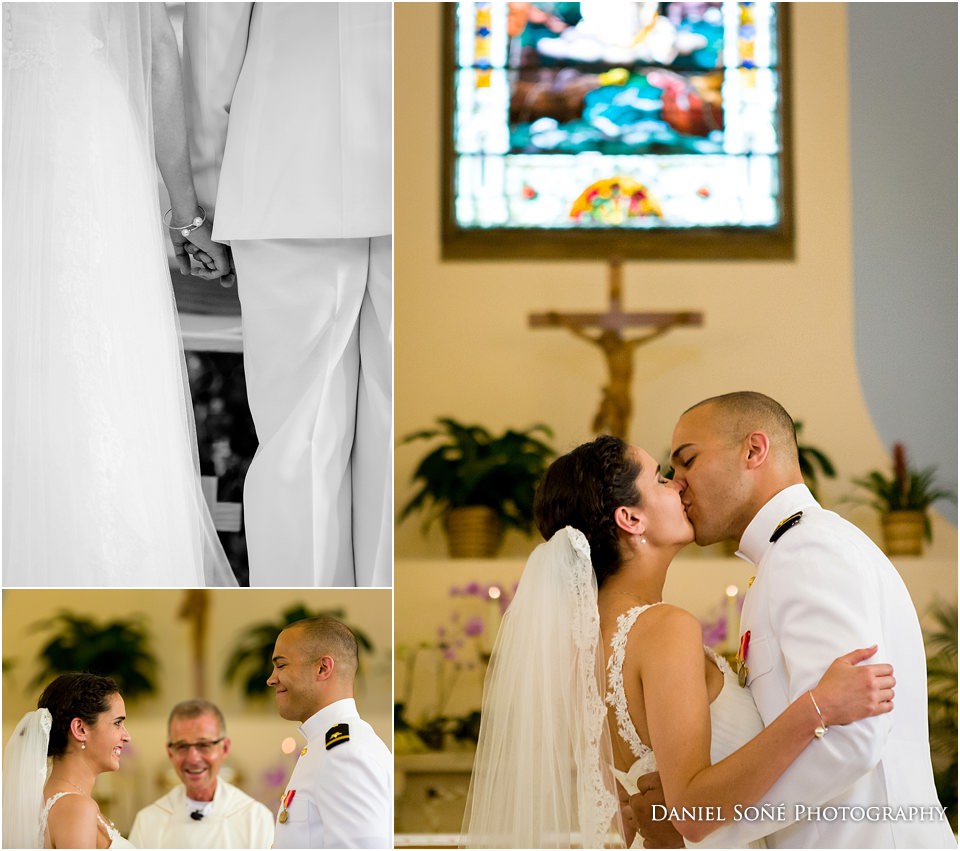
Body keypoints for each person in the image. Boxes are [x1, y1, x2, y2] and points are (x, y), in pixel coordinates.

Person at [461, 435, 896, 849]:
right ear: (630, 519)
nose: (679, 484)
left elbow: (626, 810)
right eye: (660, 478)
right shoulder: (665, 628)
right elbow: (692, 811)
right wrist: (819, 705)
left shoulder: (583, 644)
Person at [644, 390, 953, 848]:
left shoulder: (809, 550)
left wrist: (712, 824)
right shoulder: (783, 555)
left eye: (687, 461)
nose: (679, 482)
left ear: (754, 450)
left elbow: (852, 738)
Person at [2, 3, 236, 587]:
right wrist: (186, 219)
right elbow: (159, 53)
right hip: (74, 122)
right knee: (86, 349)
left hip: (54, 123)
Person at [181, 3, 393, 587]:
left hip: (284, 160)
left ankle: (304, 619)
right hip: (421, 157)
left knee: (298, 435)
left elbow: (213, 36)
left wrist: (205, 192)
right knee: (399, 419)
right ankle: (375, 642)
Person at [267, 617, 392, 849]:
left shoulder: (346, 754)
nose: (271, 679)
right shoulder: (324, 746)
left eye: (281, 665)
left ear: (323, 668)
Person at [2, 673, 134, 848]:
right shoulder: (77, 809)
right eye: (117, 723)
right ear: (80, 729)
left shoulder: (54, 802)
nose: (127, 737)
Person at [128, 699, 273, 848]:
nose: (193, 758)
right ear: (170, 753)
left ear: (225, 748)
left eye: (204, 745)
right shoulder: (148, 821)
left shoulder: (255, 819)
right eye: (182, 746)